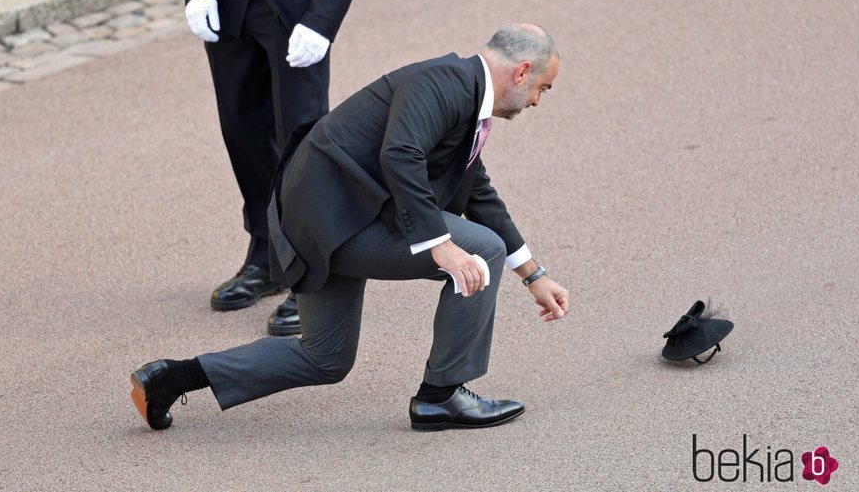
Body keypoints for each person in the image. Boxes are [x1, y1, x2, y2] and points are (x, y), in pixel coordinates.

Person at [131, 24, 571, 431]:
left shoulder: (463, 95)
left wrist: (534, 275)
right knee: (482, 250)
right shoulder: (444, 83)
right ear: (522, 71)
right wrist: (442, 246)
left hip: (325, 220)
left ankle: (173, 377)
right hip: (333, 220)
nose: (537, 101)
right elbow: (401, 155)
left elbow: (479, 193)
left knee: (324, 358)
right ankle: (442, 395)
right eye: (543, 88)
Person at [180, 0, 371, 334]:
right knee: (241, 130)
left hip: (298, 6)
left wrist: (322, 20)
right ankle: (266, 255)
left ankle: (311, 272)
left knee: (303, 145)